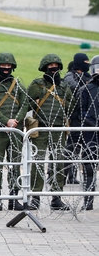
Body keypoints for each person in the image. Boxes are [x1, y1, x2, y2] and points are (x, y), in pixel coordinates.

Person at [0, 53, 28, 211]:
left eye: (9, 66)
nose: (6, 68)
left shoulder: (18, 85)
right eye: (3, 66)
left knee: (15, 165)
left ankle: (14, 198)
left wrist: (15, 121)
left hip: (15, 131)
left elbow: (25, 104)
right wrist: (6, 121)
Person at [27, 54, 74, 211]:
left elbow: (71, 106)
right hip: (40, 128)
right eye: (50, 66)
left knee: (58, 161)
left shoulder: (64, 87)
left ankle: (56, 197)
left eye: (56, 66)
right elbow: (27, 103)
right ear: (45, 68)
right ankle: (35, 197)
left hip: (58, 128)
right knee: (38, 162)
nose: (53, 68)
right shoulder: (37, 84)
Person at [63, 53, 91, 185]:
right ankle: (67, 173)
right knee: (72, 147)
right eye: (85, 62)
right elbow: (77, 90)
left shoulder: (87, 77)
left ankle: (81, 175)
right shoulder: (70, 76)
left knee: (84, 148)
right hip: (75, 117)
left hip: (87, 117)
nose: (87, 64)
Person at [79, 55, 99, 210]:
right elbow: (81, 112)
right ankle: (88, 200)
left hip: (91, 131)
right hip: (90, 133)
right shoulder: (86, 89)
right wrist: (93, 124)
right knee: (89, 168)